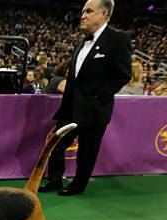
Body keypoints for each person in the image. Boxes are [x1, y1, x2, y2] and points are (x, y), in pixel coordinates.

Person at [39, 0, 131, 196]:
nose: (83, 15)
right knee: (56, 145)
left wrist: (98, 97)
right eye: (82, 11)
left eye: (89, 11)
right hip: (71, 106)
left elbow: (123, 74)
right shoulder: (83, 40)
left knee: (86, 153)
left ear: (104, 13)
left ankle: (77, 186)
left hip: (95, 109)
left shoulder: (118, 39)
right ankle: (54, 181)